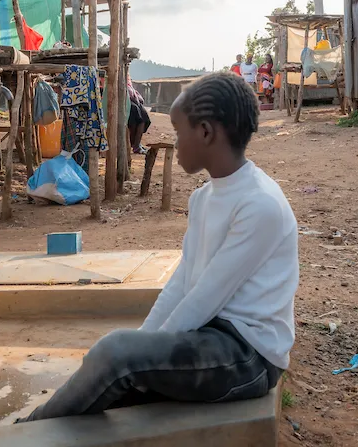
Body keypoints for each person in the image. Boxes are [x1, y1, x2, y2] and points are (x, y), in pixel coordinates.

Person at [20, 72, 297, 421]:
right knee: (114, 367)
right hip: (209, 335)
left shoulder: (260, 204)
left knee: (116, 359)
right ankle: (35, 428)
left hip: (248, 356)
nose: (174, 142)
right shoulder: (203, 198)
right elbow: (183, 282)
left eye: (180, 133)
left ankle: (26, 431)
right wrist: (144, 343)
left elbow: (205, 297)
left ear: (207, 132)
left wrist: (132, 356)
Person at [126, 79, 150, 155]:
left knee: (144, 116)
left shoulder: (126, 74)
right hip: (121, 98)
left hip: (131, 98)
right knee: (135, 113)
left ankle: (137, 144)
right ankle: (132, 144)